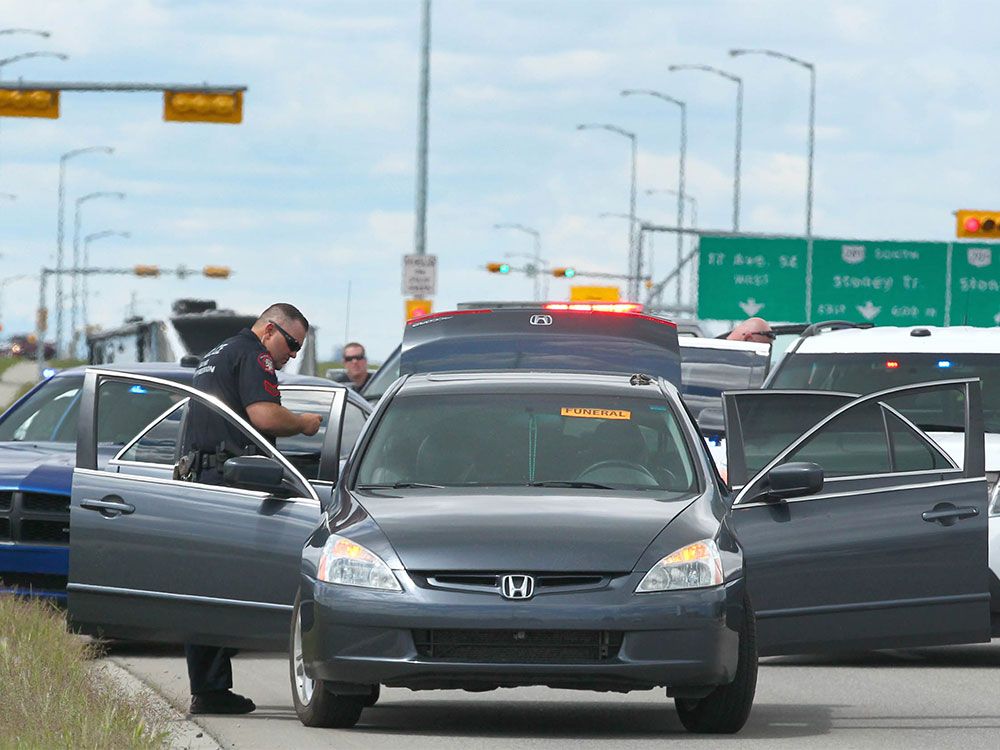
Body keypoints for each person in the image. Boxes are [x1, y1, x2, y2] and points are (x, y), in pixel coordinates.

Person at [180, 303, 323, 716]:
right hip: (230, 484)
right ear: (270, 331)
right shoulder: (253, 354)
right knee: (225, 584)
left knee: (206, 587)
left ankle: (209, 688)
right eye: (291, 344)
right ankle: (210, 690)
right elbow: (263, 415)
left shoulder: (217, 353)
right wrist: (304, 423)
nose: (291, 356)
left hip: (202, 479)